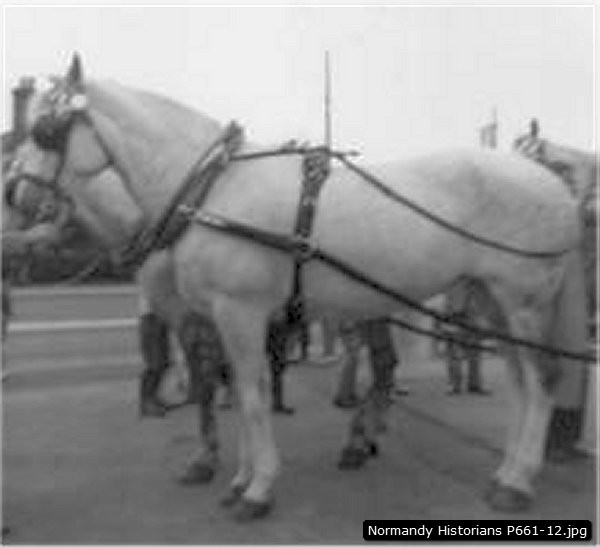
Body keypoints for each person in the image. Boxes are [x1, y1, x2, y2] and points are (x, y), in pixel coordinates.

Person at [333, 318, 408, 408]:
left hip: (362, 317)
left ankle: (346, 395)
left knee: (357, 350)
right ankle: (345, 396)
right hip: (360, 316)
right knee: (354, 351)